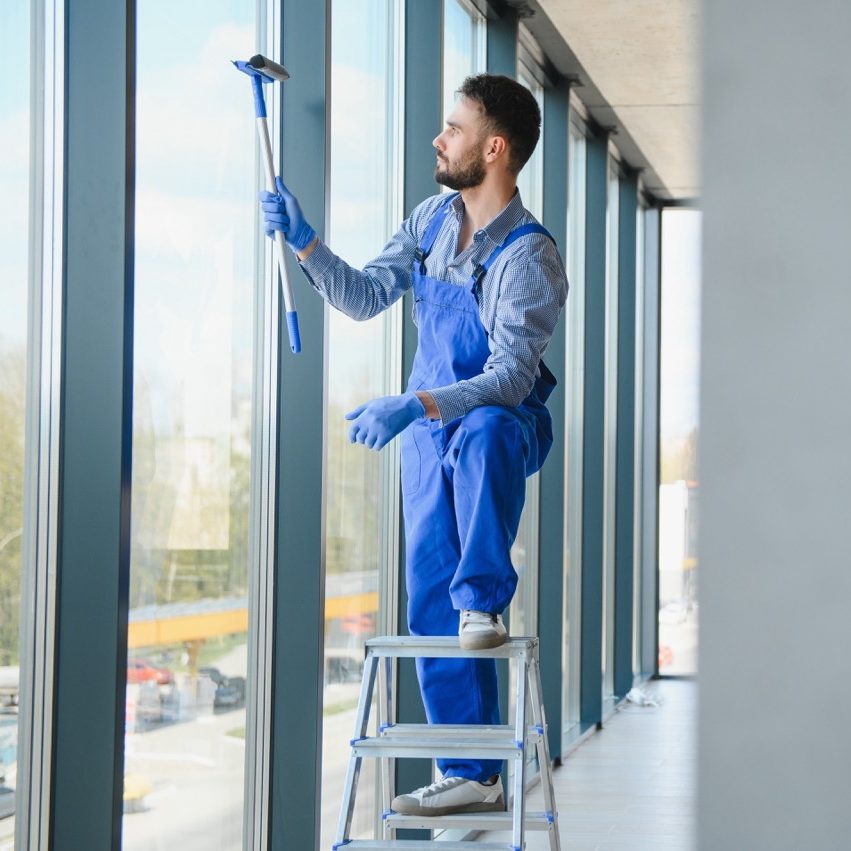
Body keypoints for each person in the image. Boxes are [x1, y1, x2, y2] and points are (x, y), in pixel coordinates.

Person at [260, 73, 568, 817]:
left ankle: (484, 601)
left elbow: (506, 378)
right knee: (429, 599)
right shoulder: (432, 219)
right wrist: (304, 242)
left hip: (500, 428)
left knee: (490, 430)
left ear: (494, 149)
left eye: (454, 128)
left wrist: (415, 401)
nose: (439, 139)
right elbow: (366, 296)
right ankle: (472, 770)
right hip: (428, 437)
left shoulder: (528, 256)